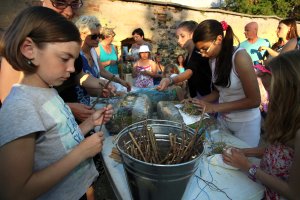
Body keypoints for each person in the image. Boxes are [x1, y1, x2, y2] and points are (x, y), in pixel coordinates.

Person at [0, 6, 113, 200]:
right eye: (64, 58)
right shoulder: (20, 107)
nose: (71, 68)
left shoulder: (48, 91)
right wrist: (80, 153)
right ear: (29, 49)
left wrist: (89, 124)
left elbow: (61, 139)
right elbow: (14, 192)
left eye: (74, 59)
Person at [0, 0, 112, 122]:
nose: (69, 12)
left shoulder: (65, 35)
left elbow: (77, 75)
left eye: (74, 4)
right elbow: (11, 104)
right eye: (60, 2)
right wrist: (67, 108)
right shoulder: (28, 39)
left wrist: (100, 83)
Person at [223, 50, 300, 200]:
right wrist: (246, 152)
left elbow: (294, 193)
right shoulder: (289, 118)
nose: (268, 100)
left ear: (292, 91)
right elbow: (278, 151)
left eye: (272, 92)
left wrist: (248, 167)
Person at [192, 20, 261, 147]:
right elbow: (219, 92)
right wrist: (197, 102)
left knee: (239, 162)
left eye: (205, 49)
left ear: (218, 39)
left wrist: (214, 107)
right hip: (223, 120)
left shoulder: (240, 57)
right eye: (199, 51)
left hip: (245, 124)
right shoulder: (212, 59)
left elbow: (255, 100)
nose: (203, 54)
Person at [75, 16, 131, 105]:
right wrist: (106, 86)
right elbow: (82, 80)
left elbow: (103, 71)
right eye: (94, 36)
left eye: (99, 36)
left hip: (90, 103)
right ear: (82, 35)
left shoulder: (93, 52)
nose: (98, 39)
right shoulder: (75, 54)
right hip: (77, 105)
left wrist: (121, 81)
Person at [157, 20, 212, 99]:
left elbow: (189, 72)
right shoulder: (189, 54)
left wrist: (170, 80)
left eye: (182, 36)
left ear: (192, 35)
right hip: (197, 95)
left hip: (206, 96)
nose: (179, 40)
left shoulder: (198, 52)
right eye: (177, 37)